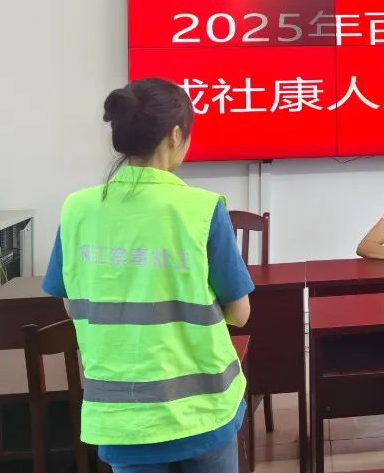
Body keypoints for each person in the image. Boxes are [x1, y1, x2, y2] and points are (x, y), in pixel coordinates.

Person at [42, 78, 254, 472]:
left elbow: (72, 306)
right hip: (203, 411)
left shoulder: (77, 209)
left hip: (122, 420)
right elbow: (240, 314)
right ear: (175, 135)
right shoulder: (201, 209)